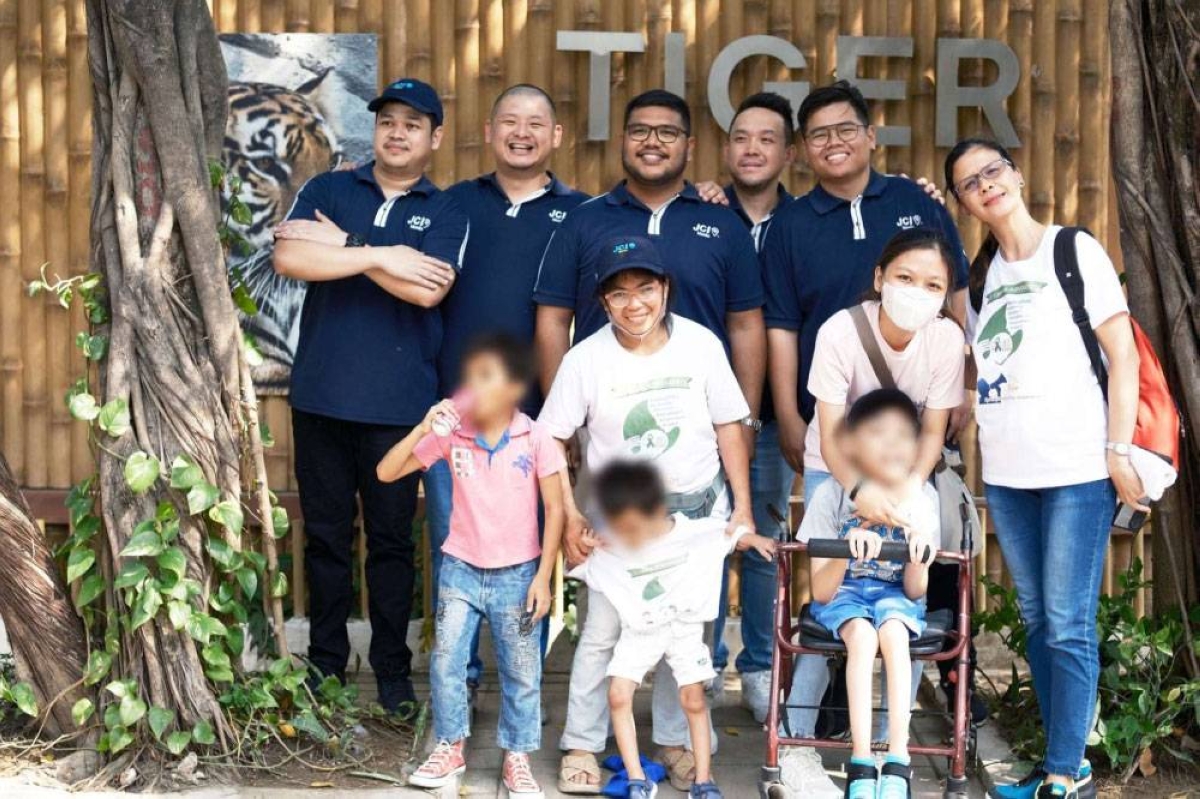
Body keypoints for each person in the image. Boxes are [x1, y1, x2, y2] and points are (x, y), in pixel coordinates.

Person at [760, 79, 971, 794]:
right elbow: (826, 416)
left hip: (910, 472)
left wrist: (906, 496)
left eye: (930, 281)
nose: (917, 289)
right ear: (880, 277)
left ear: (871, 133)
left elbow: (937, 426)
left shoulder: (920, 227)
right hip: (838, 467)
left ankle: (892, 748)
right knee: (830, 599)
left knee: (900, 610)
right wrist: (854, 491)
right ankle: (793, 738)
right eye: (817, 133)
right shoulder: (839, 325)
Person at [946, 138, 1143, 799]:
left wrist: (1118, 451)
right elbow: (976, 372)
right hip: (1008, 474)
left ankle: (1065, 769)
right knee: (1037, 617)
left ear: (1017, 174)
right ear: (963, 202)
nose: (986, 185)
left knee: (1066, 617)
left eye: (993, 170)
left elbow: (1124, 356)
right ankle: (1063, 763)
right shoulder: (979, 277)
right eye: (970, 182)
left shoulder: (1073, 250)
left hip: (1078, 468)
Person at [272, 78, 468, 711]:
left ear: (434, 138)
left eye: (413, 123)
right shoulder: (329, 188)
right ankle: (325, 666)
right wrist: (383, 255)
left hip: (399, 408)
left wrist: (347, 248)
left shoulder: (447, 210)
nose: (398, 131)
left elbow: (427, 290)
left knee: (390, 544)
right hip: (321, 397)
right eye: (388, 120)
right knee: (326, 538)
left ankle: (390, 670)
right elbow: (290, 258)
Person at [538, 237, 754, 794]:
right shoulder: (584, 358)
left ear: (665, 291)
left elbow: (730, 426)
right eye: (619, 293)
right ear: (603, 302)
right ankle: (581, 744)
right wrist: (568, 517)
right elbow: (550, 439)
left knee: (686, 635)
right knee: (602, 637)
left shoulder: (702, 346)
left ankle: (673, 740)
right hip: (620, 526)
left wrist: (744, 509)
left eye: (646, 289)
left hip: (699, 517)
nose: (634, 304)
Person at [428, 84, 590, 692]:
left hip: (539, 422)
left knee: (534, 551)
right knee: (457, 547)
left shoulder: (582, 211)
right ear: (491, 132)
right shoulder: (455, 204)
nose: (522, 133)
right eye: (510, 121)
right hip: (461, 418)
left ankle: (524, 683)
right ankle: (460, 680)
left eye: (536, 123)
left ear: (556, 137)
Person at [376, 333, 566, 795]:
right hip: (461, 569)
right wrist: (423, 428)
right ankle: (449, 747)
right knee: (446, 662)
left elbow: (556, 509)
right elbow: (386, 472)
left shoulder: (535, 436)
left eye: (489, 377)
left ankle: (517, 756)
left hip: (519, 574)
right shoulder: (452, 435)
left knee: (522, 670)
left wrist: (543, 577)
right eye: (472, 378)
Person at [569, 461, 777, 799]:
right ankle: (637, 778)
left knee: (693, 700)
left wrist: (755, 539)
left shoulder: (692, 530)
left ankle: (703, 780)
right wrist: (588, 547)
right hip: (640, 630)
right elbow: (581, 568)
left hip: (684, 629)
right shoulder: (619, 543)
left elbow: (726, 534)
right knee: (618, 695)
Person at [801, 389, 939, 799]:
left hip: (896, 594)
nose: (893, 443)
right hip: (844, 594)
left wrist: (917, 555)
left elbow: (915, 589)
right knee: (861, 638)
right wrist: (847, 547)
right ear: (851, 444)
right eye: (878, 432)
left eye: (903, 434)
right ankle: (862, 759)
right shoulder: (831, 495)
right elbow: (821, 592)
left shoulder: (921, 498)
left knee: (895, 634)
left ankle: (896, 758)